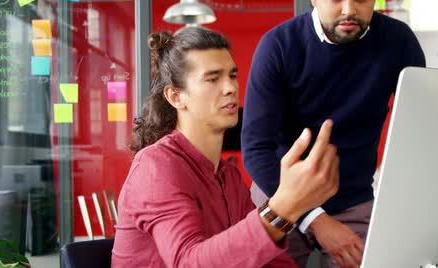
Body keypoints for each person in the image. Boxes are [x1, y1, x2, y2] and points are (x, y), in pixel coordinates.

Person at [241, 0, 426, 267]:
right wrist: (317, 220)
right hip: (280, 194)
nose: (349, 10)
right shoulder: (278, 46)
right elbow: (255, 150)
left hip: (354, 199)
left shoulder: (399, 42)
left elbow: (423, 129)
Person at [111, 27, 340, 268]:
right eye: (212, 78)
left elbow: (271, 262)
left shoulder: (227, 176)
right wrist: (282, 209)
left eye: (232, 75)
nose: (230, 87)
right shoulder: (155, 167)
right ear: (176, 97)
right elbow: (188, 263)